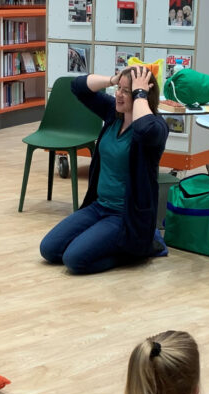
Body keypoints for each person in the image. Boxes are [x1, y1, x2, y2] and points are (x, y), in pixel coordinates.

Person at [39, 67, 169, 275]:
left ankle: (139, 249)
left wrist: (140, 93)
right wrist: (113, 79)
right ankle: (110, 242)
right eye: (119, 88)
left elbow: (144, 129)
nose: (118, 94)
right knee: (49, 249)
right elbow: (78, 87)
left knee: (74, 260)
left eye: (127, 91)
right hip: (99, 206)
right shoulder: (113, 114)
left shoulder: (156, 127)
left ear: (142, 96)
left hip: (124, 216)